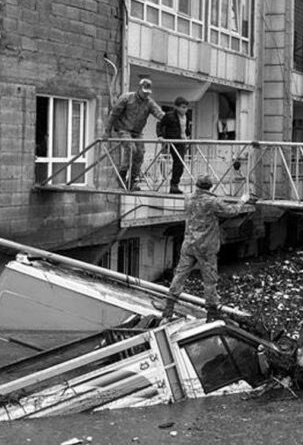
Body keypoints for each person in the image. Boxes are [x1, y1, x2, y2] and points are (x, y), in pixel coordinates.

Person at [158, 175, 255, 322]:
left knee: (180, 275)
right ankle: (212, 313)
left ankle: (168, 308)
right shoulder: (212, 202)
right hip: (205, 247)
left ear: (197, 185)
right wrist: (242, 200)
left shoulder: (188, 199)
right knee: (209, 280)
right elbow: (231, 211)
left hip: (189, 243)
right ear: (210, 187)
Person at [106, 78, 164, 190]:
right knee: (131, 149)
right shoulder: (126, 98)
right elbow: (114, 114)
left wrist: (170, 119)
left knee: (140, 154)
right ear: (139, 89)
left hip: (137, 132)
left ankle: (132, 180)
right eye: (144, 92)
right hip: (123, 129)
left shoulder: (149, 103)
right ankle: (122, 175)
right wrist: (107, 131)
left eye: (148, 93)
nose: (146, 95)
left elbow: (159, 114)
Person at [157, 96, 191, 194]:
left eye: (186, 107)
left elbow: (185, 128)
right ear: (176, 107)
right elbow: (160, 124)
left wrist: (188, 136)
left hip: (182, 141)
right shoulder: (170, 115)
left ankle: (175, 184)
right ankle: (173, 185)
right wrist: (160, 136)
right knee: (178, 162)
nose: (184, 110)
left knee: (180, 164)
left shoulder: (186, 117)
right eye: (182, 107)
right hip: (173, 141)